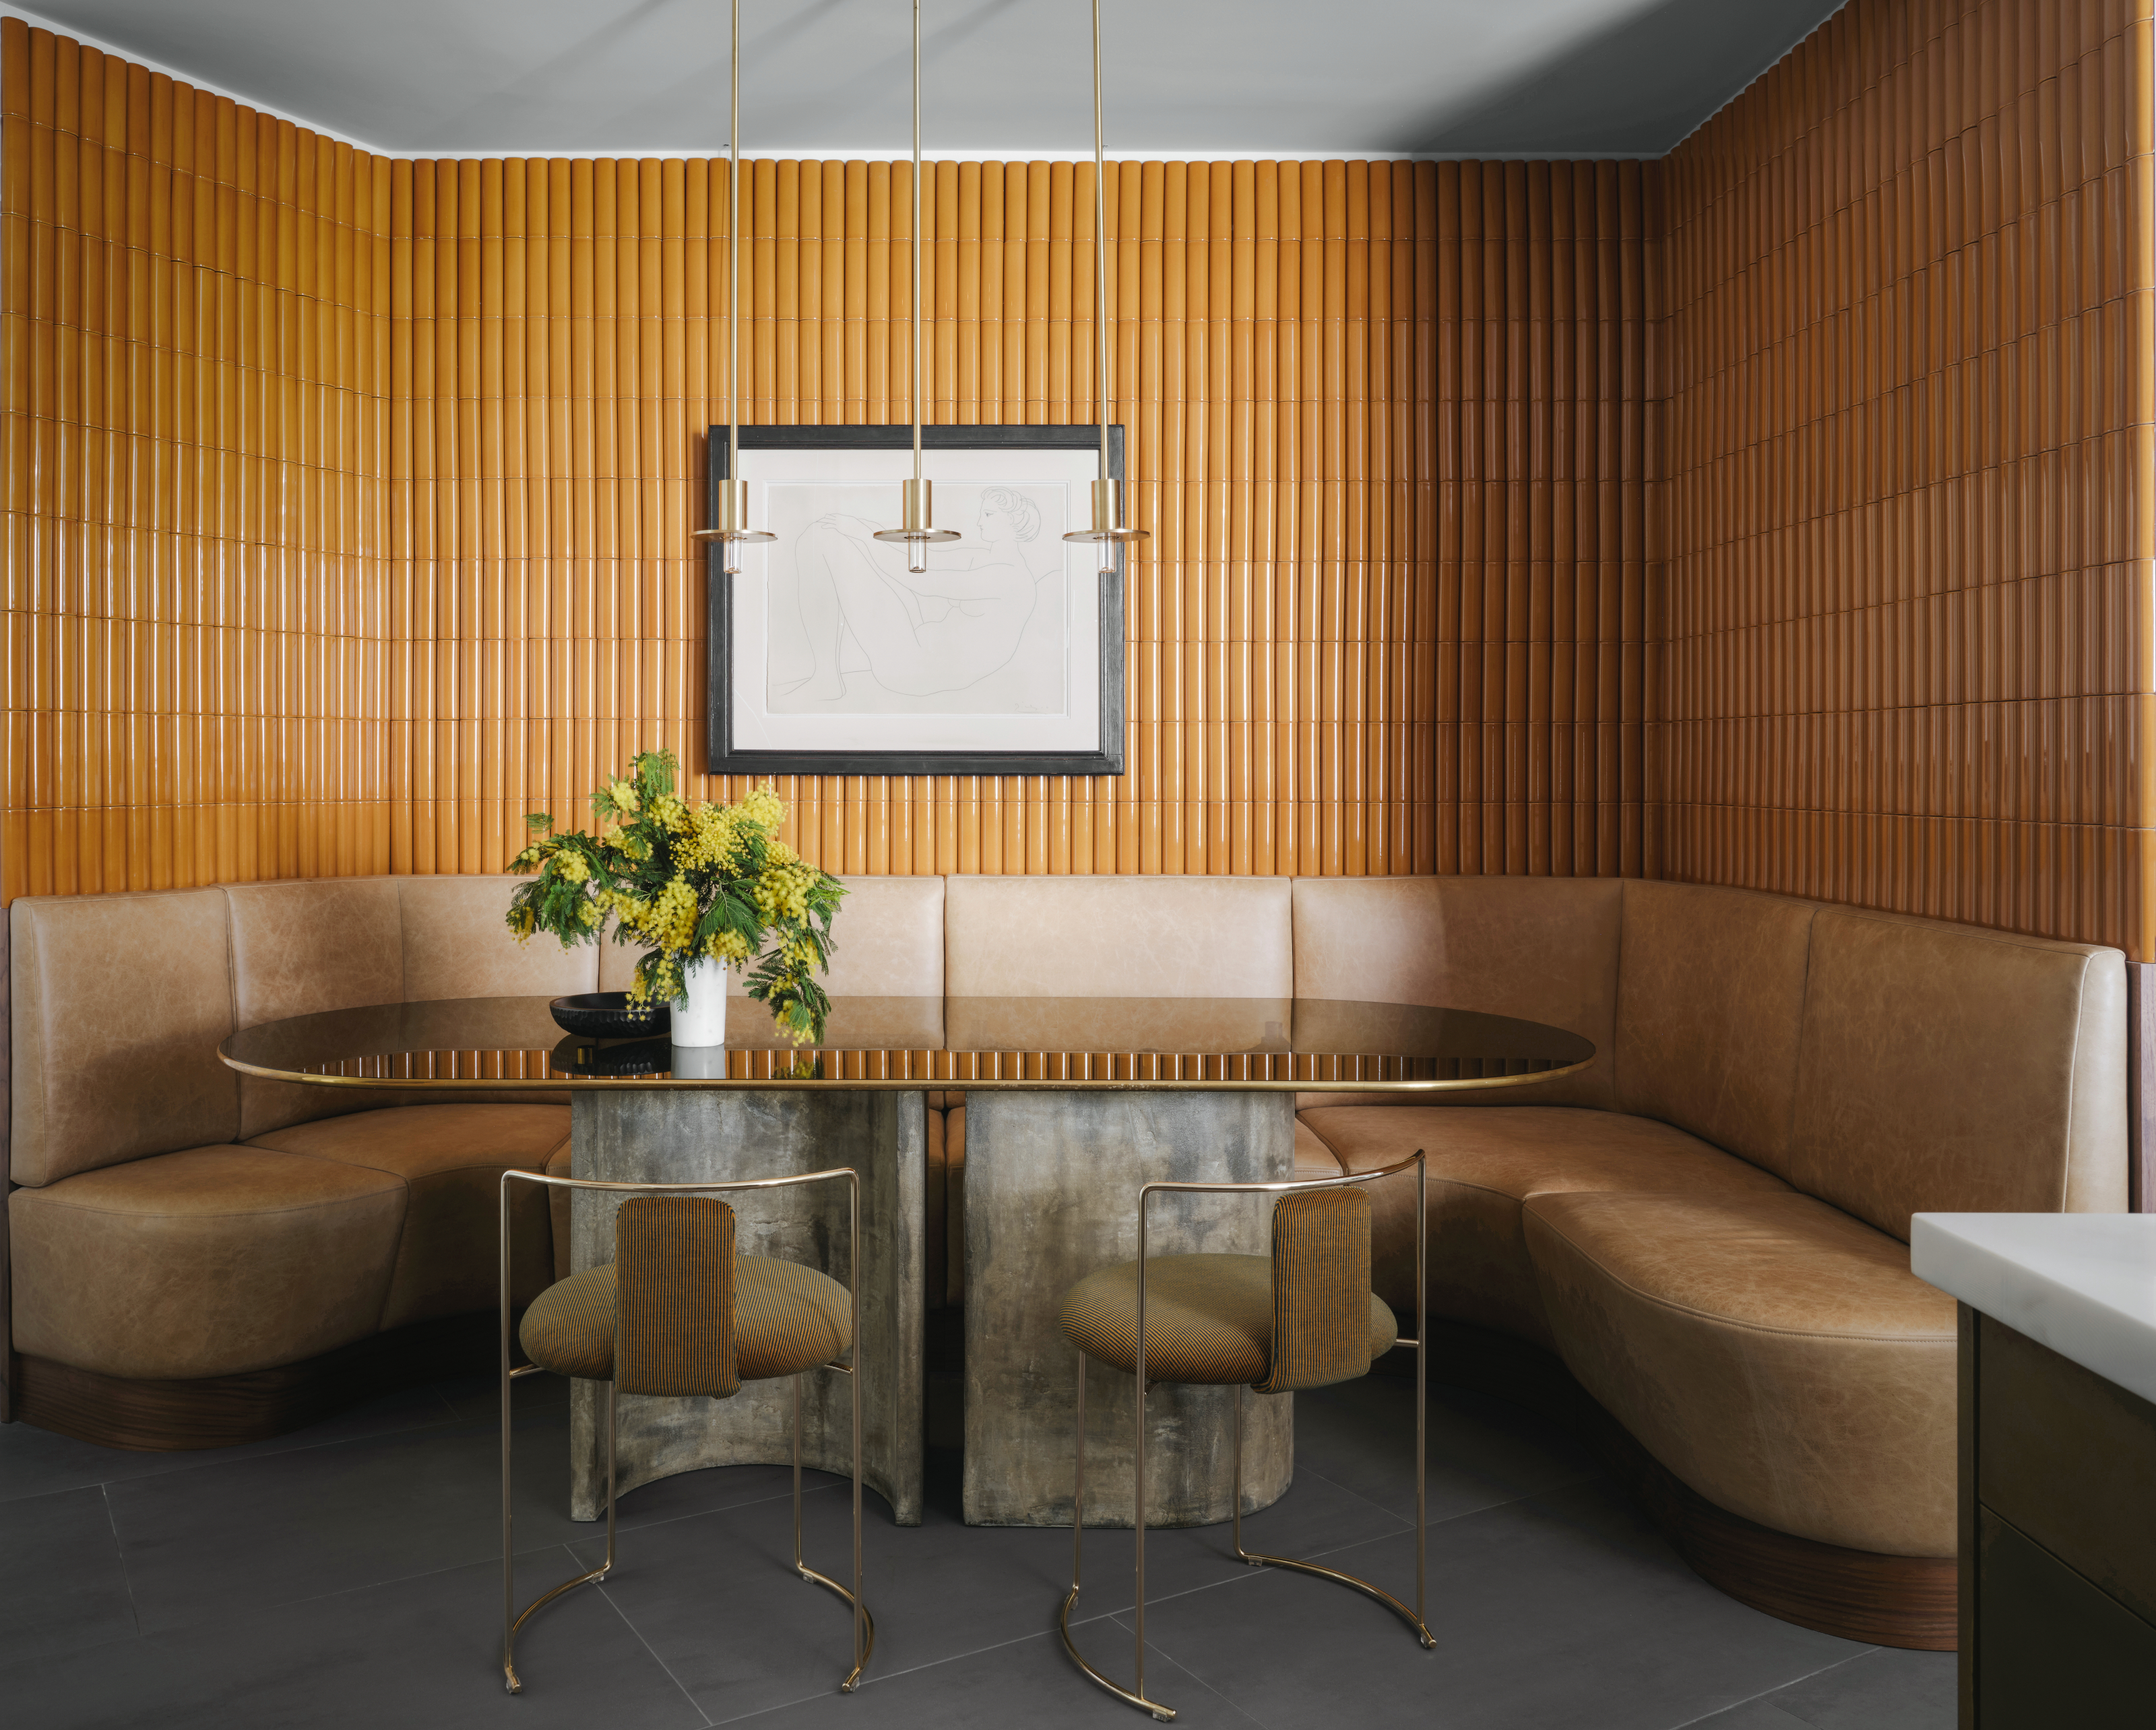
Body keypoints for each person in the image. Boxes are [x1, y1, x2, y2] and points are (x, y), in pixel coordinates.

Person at [788, 487, 1049, 700]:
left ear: (1014, 522)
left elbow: (923, 582)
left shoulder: (1008, 577)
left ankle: (825, 678)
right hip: (918, 648)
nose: (980, 522)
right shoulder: (982, 558)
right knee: (830, 533)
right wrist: (868, 528)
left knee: (820, 538)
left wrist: (865, 536)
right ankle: (825, 676)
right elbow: (925, 558)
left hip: (913, 667)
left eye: (989, 515)